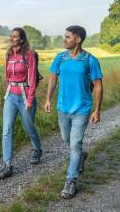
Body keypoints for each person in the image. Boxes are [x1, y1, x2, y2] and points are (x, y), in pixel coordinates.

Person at [44, 25, 103, 198]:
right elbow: (53, 78)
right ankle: (81, 156)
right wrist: (48, 99)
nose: (64, 39)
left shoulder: (90, 60)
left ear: (78, 39)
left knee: (75, 144)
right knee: (66, 139)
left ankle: (71, 181)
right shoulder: (60, 57)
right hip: (63, 108)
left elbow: (98, 85)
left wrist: (97, 110)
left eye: (67, 37)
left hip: (82, 109)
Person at [0, 27, 43, 179]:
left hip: (25, 96)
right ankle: (7, 165)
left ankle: (37, 149)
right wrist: (9, 90)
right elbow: (7, 76)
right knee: (7, 129)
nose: (12, 38)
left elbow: (32, 79)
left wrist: (29, 99)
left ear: (21, 39)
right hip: (10, 95)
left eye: (15, 36)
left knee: (28, 127)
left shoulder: (29, 55)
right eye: (11, 36)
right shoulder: (9, 54)